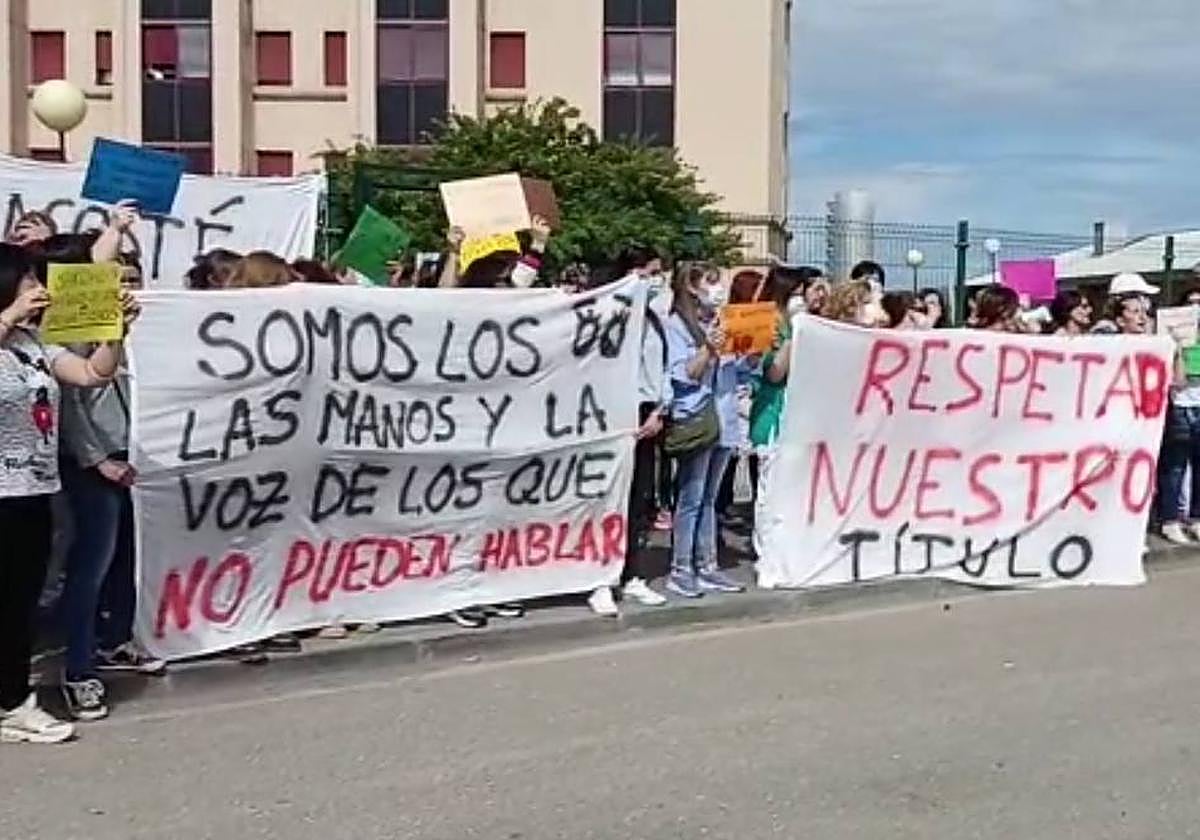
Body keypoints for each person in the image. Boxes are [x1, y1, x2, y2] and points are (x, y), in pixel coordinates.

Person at [0, 243, 139, 743]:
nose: (41, 290)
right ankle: (14, 700)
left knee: (20, 599)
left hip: (33, 489)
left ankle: (12, 701)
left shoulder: (33, 344)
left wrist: (115, 332)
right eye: (30, 282)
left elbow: (91, 374)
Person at [58, 254, 165, 721]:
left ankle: (116, 640)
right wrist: (96, 459)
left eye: (133, 278)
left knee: (127, 557)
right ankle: (79, 667)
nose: (126, 286)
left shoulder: (155, 324)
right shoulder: (73, 332)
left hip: (134, 457)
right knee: (90, 569)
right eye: (115, 279)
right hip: (96, 462)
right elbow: (73, 401)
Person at [588, 245, 671, 616]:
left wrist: (658, 410)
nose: (658, 280)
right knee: (609, 500)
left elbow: (661, 367)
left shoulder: (653, 319)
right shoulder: (612, 316)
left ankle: (632, 574)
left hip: (647, 415)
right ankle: (599, 579)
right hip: (613, 414)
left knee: (640, 499)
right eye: (651, 272)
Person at [663, 262, 750, 598]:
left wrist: (752, 355)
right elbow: (684, 374)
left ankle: (708, 566)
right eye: (712, 283)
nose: (719, 290)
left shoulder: (723, 322)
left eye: (721, 283)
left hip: (724, 417)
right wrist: (709, 348)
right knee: (691, 497)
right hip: (697, 417)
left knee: (710, 498)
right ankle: (681, 569)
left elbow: (740, 372)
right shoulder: (676, 326)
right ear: (692, 288)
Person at [747, 265, 823, 558]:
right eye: (799, 293)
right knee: (770, 490)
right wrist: (792, 333)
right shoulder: (771, 325)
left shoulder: (809, 323)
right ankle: (767, 552)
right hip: (773, 415)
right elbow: (775, 373)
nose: (806, 300)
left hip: (800, 416)